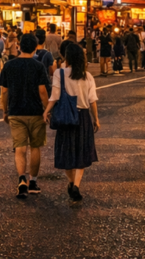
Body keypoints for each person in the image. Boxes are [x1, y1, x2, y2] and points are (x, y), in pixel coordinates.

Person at [44, 42, 100, 202]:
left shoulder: (59, 74)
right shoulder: (86, 76)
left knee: (66, 152)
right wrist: (96, 119)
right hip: (83, 117)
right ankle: (76, 185)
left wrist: (46, 111)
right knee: (81, 152)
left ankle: (70, 181)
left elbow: (54, 96)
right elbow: (92, 101)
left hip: (66, 117)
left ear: (66, 57)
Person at [0, 34, 50, 198]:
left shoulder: (9, 65)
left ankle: (22, 180)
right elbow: (42, 91)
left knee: (20, 148)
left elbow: (4, 91)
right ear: (35, 47)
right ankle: (33, 182)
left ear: (19, 46)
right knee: (35, 147)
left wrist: (5, 111)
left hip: (16, 111)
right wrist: (47, 109)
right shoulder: (38, 66)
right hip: (35, 111)